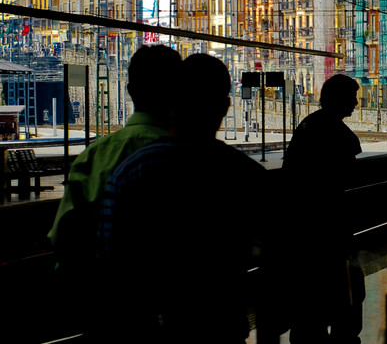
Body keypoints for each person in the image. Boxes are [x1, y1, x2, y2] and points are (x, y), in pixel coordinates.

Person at [98, 54, 269, 343]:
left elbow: (109, 261)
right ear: (225, 107)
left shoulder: (130, 172)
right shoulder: (247, 175)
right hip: (222, 325)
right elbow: (272, 255)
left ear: (172, 103)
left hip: (149, 329)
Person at [49, 45, 182, 294]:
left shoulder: (94, 157)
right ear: (180, 92)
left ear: (130, 91)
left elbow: (63, 237)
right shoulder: (194, 156)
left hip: (109, 301)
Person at [282, 74, 365, 343]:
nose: (355, 103)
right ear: (340, 99)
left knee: (308, 319)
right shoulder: (339, 134)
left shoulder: (308, 126)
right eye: (351, 97)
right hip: (332, 235)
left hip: (303, 235)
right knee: (346, 312)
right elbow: (347, 180)